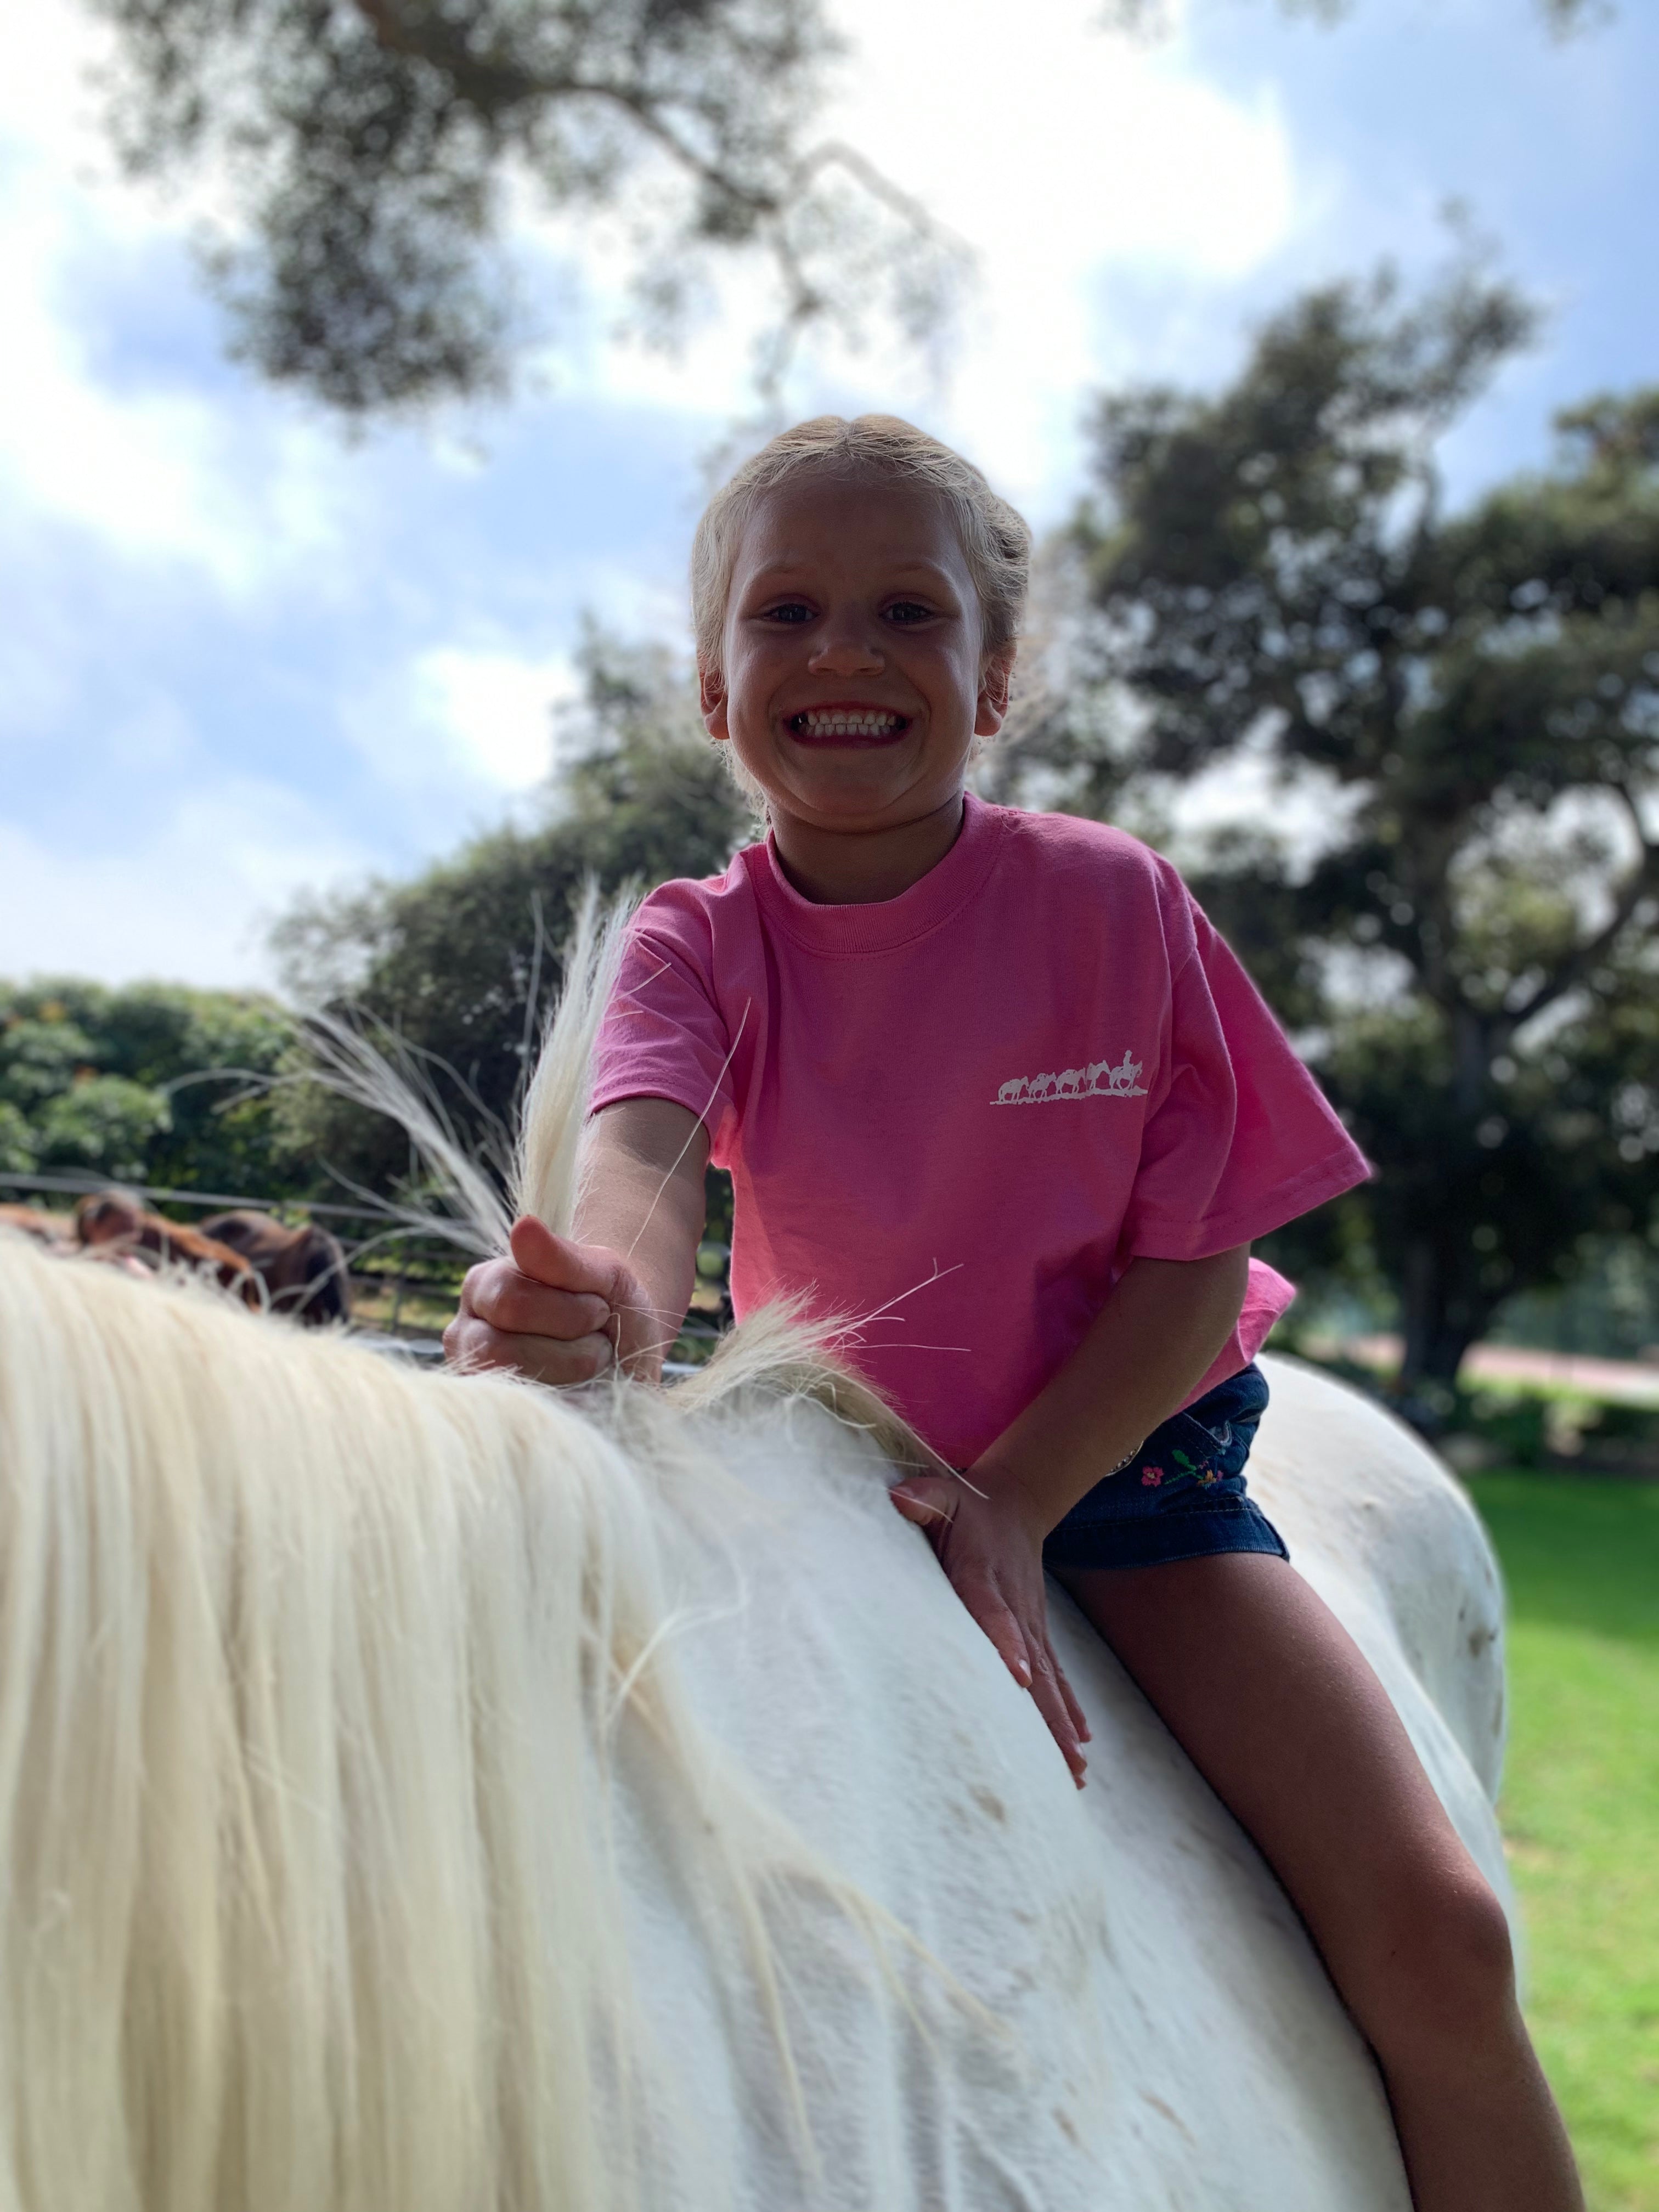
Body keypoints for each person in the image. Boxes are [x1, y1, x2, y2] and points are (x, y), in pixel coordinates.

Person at [445, 415, 1582, 2212]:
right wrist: (603, 1305)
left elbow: (1194, 1253)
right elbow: (647, 1166)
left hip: (1125, 1482)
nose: (844, 652)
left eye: (910, 611)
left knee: (1441, 1936)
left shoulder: (1110, 904)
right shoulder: (695, 941)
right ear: (709, 682)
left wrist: (1028, 1498)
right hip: (842, 1475)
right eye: (788, 610)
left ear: (994, 683)